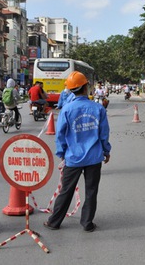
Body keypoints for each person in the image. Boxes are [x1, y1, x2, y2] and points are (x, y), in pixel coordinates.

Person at [44, 71, 111, 232]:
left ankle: (54, 222)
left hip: (73, 157)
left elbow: (60, 134)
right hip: (94, 157)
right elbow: (104, 133)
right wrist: (106, 150)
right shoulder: (98, 108)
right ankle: (87, 223)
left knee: (66, 191)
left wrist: (62, 153)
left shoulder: (67, 109)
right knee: (91, 191)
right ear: (85, 86)